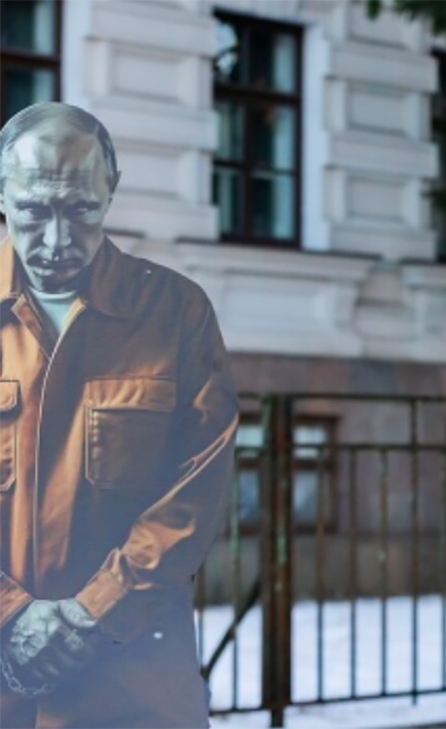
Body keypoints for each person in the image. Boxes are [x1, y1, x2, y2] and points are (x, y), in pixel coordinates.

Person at [0, 102, 239, 727]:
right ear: (1, 196)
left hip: (132, 678)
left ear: (112, 192)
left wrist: (90, 614)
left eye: (81, 209)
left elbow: (197, 489)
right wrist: (9, 612)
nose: (56, 241)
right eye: (32, 210)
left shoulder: (175, 311)